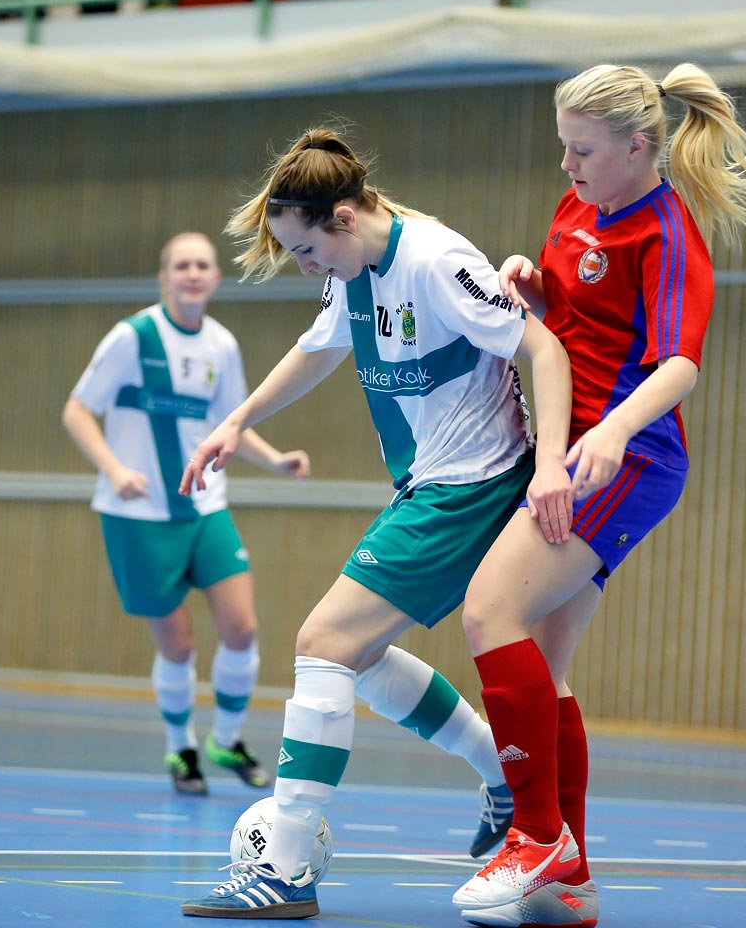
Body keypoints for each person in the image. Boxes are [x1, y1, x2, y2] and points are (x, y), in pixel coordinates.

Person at [178, 127, 575, 919]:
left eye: (306, 250)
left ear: (346, 218)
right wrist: (238, 420)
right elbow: (316, 348)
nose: (305, 266)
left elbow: (545, 348)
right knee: (349, 656)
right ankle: (500, 777)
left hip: (473, 487)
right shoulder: (350, 271)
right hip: (427, 487)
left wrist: (555, 465)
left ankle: (284, 865)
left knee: (323, 643)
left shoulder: (432, 261)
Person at [450, 63, 746, 928]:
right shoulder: (579, 204)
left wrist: (605, 435)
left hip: (624, 459)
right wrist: (537, 290)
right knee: (546, 670)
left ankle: (536, 838)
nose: (567, 168)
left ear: (640, 147)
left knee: (490, 613)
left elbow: (677, 360)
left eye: (583, 151)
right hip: (572, 451)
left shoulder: (668, 231)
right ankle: (572, 881)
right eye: (562, 149)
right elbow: (585, 319)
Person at [63, 231, 311, 796]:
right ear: (165, 277)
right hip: (140, 516)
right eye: (182, 265)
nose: (193, 273)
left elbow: (231, 423)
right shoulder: (133, 337)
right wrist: (115, 470)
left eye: (202, 264)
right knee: (177, 645)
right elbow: (77, 411)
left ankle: (226, 738)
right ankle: (181, 750)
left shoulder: (221, 345)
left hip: (204, 507)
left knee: (242, 628)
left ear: (215, 277)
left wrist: (275, 461)